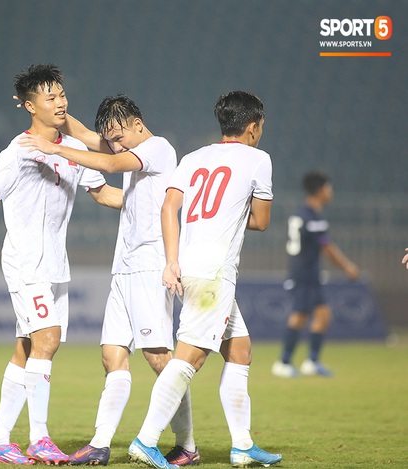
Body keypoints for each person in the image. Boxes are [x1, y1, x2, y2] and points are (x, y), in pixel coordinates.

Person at [0, 64, 122, 465]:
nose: (61, 101)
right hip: (26, 261)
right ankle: (39, 437)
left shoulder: (71, 151)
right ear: (30, 106)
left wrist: (149, 205)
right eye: (51, 97)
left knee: (27, 348)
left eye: (62, 94)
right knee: (48, 339)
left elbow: (102, 194)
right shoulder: (18, 151)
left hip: (55, 264)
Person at [19, 94, 199, 466]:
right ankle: (100, 444)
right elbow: (85, 134)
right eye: (111, 137)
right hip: (124, 266)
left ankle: (187, 444)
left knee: (159, 359)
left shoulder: (158, 148)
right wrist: (51, 108)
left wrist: (54, 151)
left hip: (150, 266)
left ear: (137, 123)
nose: (115, 142)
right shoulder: (129, 148)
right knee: (112, 354)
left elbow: (111, 161)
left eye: (119, 134)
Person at [127, 91, 282, 469]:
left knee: (240, 350)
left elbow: (169, 207)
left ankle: (243, 446)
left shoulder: (193, 158)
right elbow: (261, 221)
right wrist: (230, 217)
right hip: (214, 276)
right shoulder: (258, 159)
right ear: (252, 126)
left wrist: (172, 260)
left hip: (190, 266)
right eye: (260, 126)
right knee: (188, 360)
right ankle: (145, 441)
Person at [272, 171, 360, 378]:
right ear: (320, 191)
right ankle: (283, 362)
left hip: (306, 272)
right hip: (305, 274)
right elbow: (326, 247)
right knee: (300, 315)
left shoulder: (301, 213)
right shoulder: (313, 217)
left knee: (322, 315)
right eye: (329, 188)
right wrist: (348, 267)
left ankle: (312, 361)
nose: (331, 193)